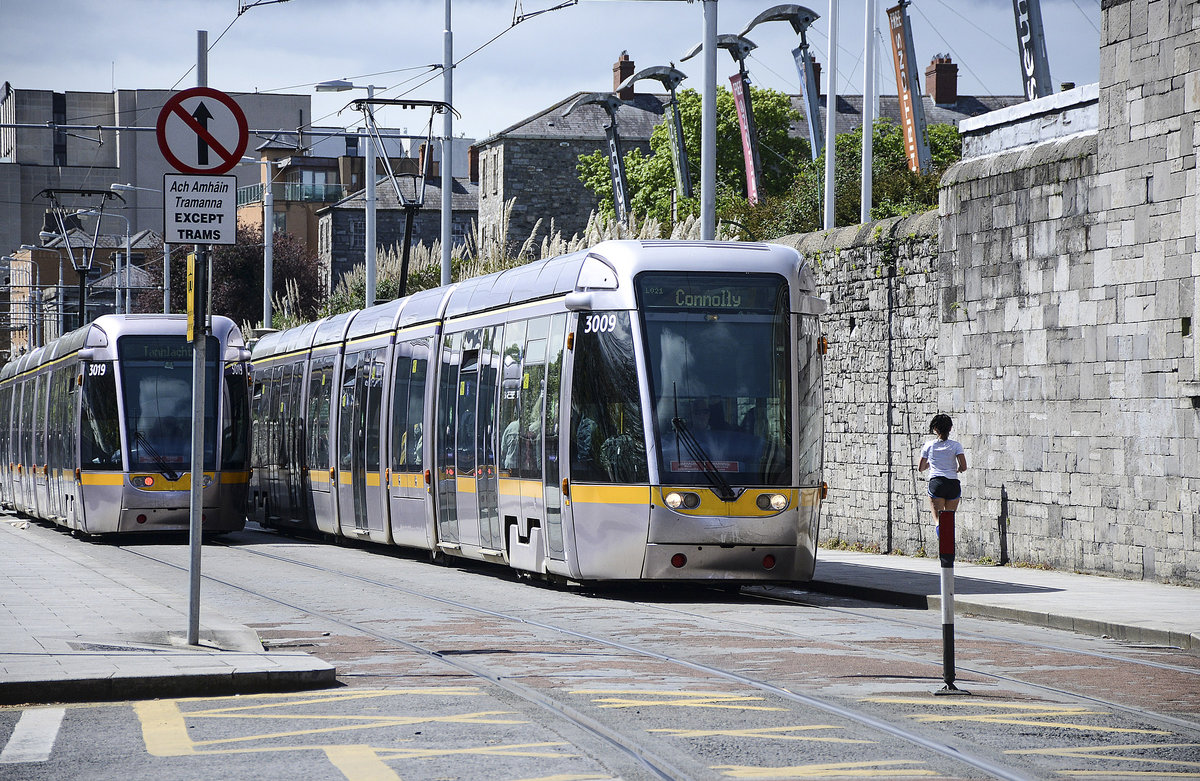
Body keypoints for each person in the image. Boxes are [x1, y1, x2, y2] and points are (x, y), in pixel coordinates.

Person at [918, 413, 967, 526]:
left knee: (939, 522)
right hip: (953, 484)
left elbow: (920, 468)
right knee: (949, 523)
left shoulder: (929, 445)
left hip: (937, 484)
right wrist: (958, 469)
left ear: (935, 429)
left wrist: (930, 464)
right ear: (950, 428)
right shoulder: (956, 446)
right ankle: (949, 543)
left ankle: (942, 540)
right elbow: (963, 467)